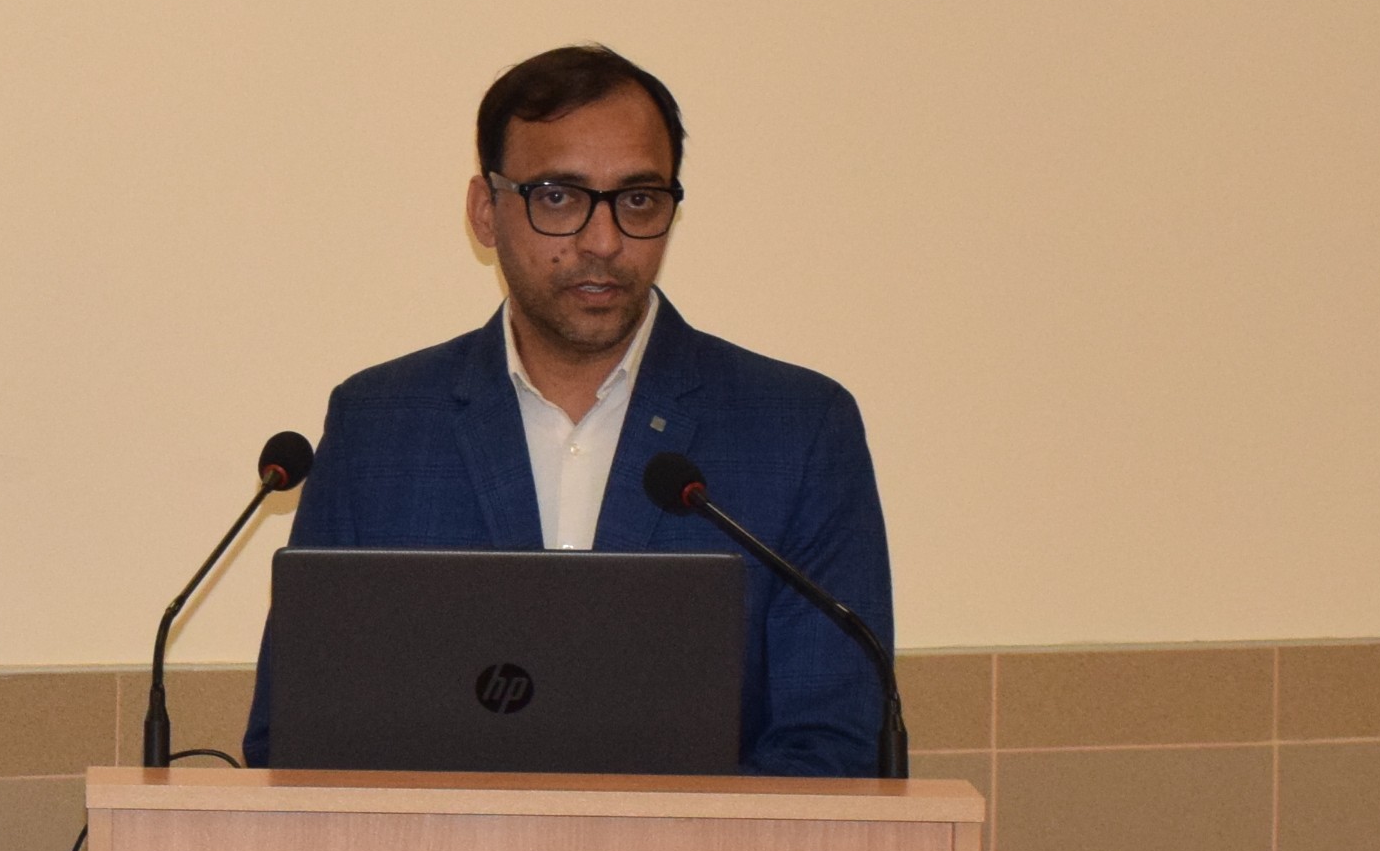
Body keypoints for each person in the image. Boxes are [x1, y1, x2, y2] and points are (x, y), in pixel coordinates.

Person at [241, 44, 895, 776]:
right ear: (485, 212)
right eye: (559, 197)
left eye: (639, 200)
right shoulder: (380, 428)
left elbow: (835, 751)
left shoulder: (797, 431)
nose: (604, 241)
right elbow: (297, 741)